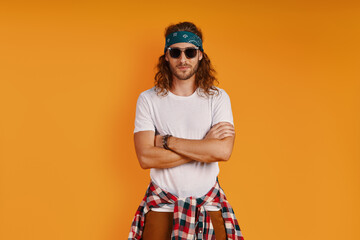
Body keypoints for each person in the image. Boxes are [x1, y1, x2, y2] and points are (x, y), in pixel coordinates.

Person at [128, 21, 245, 240]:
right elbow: (145, 157)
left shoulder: (217, 98)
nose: (183, 59)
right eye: (176, 52)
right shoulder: (148, 99)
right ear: (166, 56)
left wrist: (165, 142)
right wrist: (204, 148)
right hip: (162, 207)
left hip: (207, 207)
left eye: (190, 52)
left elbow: (222, 152)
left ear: (200, 55)